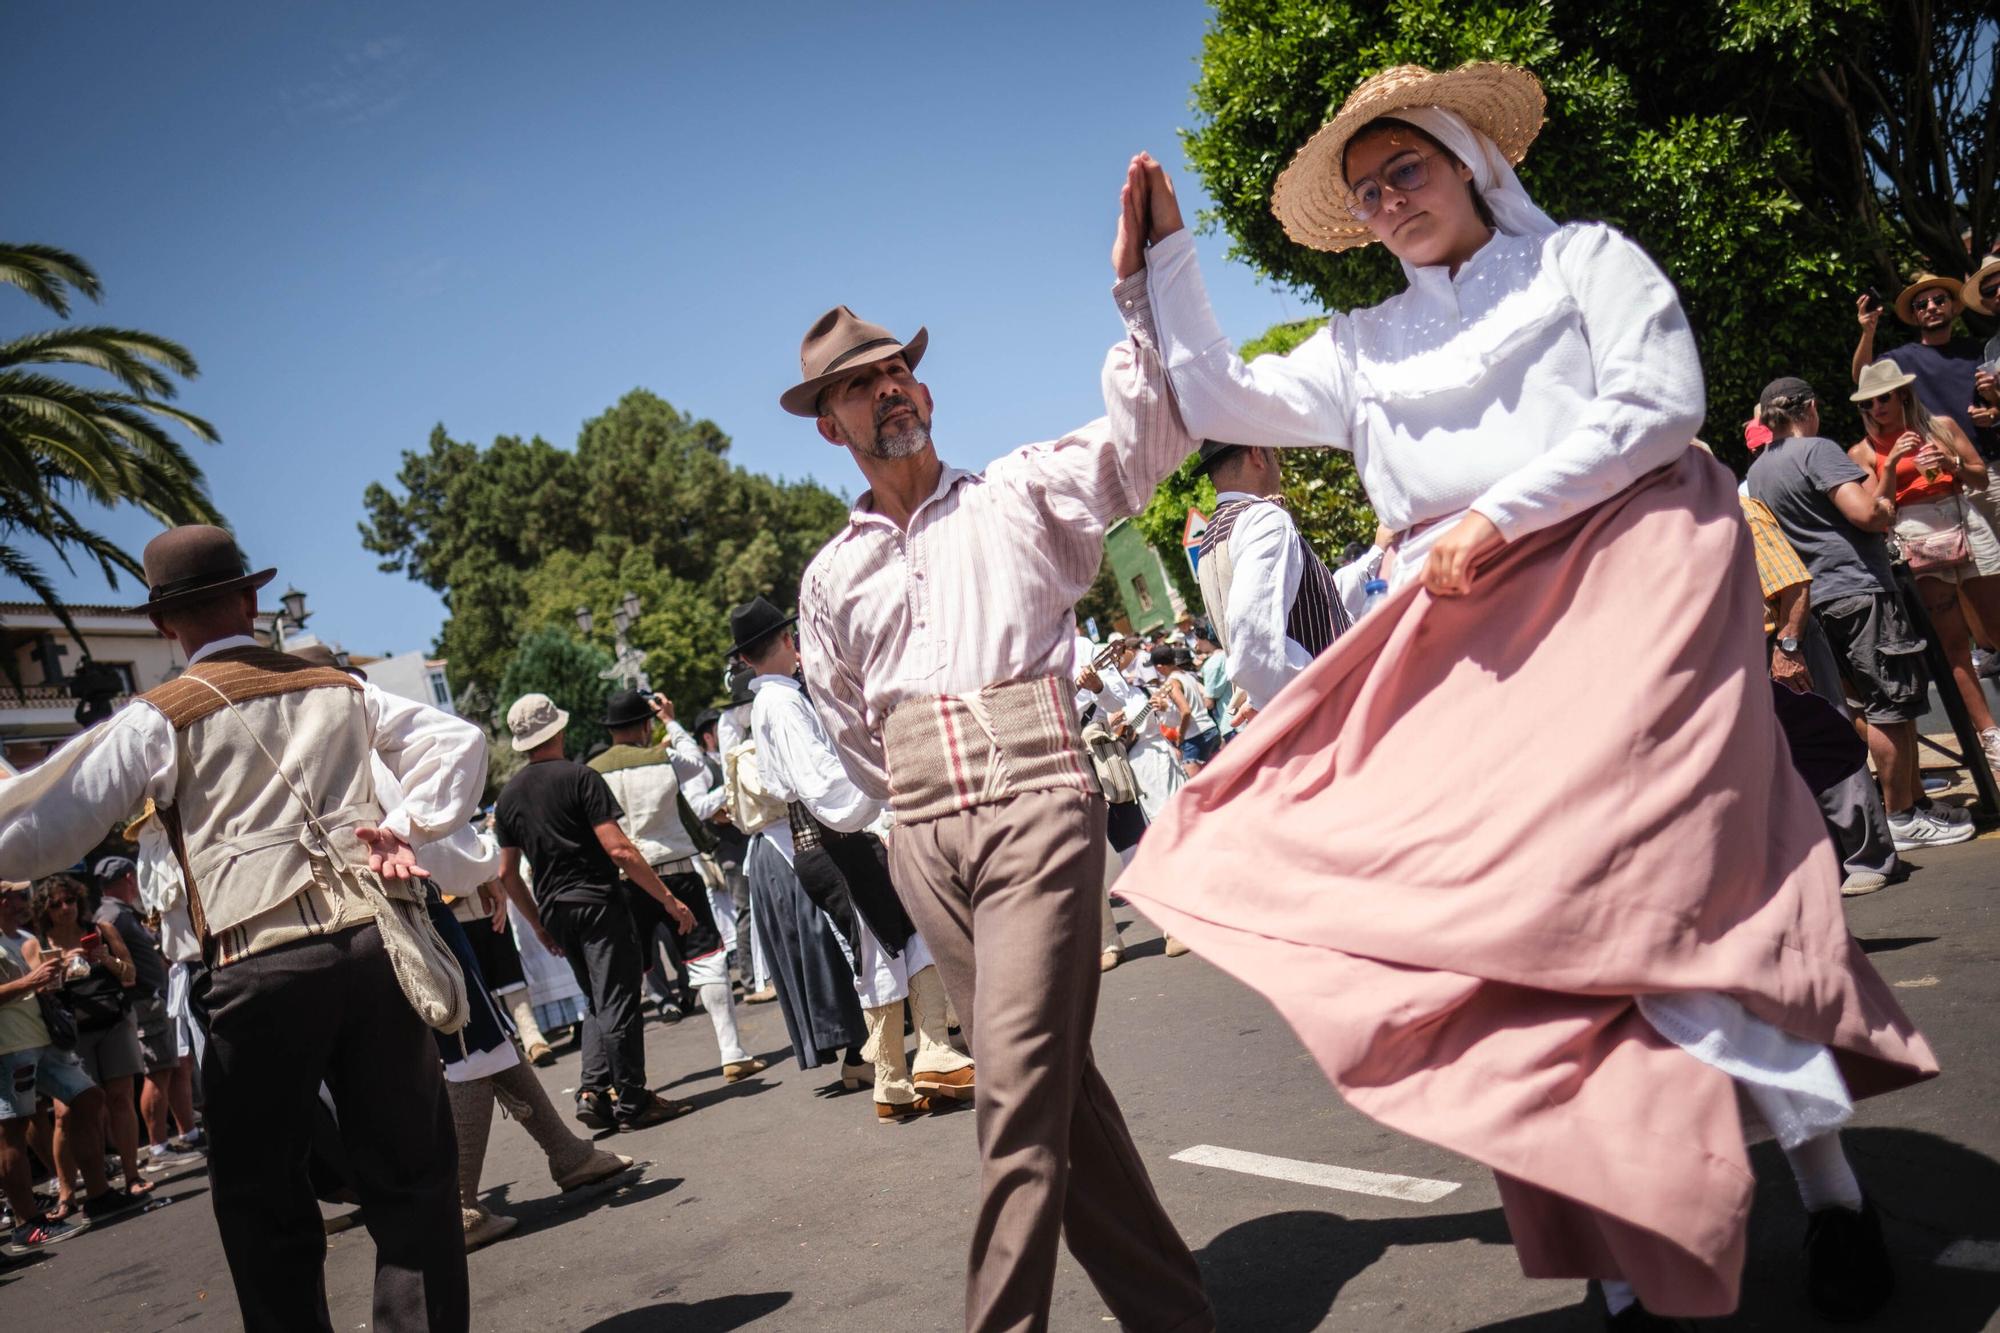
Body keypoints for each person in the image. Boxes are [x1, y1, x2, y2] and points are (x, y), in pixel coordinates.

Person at [1112, 62, 1935, 1327]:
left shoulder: (1581, 263)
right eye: (1366, 190)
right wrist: (1163, 267)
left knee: (1669, 908)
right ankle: (1616, 1277)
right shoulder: (1361, 343)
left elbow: (1663, 405)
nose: (1388, 200)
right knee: (1503, 951)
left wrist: (1498, 510)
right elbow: (1216, 397)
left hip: (1628, 586)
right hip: (1465, 636)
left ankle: (1828, 1194)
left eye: (1407, 171)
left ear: (1466, 163)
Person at [785, 299, 1212, 1320]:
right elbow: (847, 726)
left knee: (1014, 1091)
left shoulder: (1018, 491)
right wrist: (907, 817)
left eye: (896, 371)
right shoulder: (830, 574)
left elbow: (1150, 442)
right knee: (1057, 1091)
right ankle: (1173, 1315)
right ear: (828, 426)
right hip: (925, 833)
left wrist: (1142, 301)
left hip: (1033, 797)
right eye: (858, 383)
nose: (886, 387)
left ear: (923, 391)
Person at [0, 524, 481, 1330]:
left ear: (162, 624)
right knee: (411, 1175)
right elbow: (456, 739)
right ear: (253, 600)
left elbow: (47, 826)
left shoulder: (161, 715)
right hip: (373, 944)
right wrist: (405, 824)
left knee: (263, 1198)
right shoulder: (341, 684)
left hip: (258, 965)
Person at [731, 597, 973, 1122]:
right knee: (890, 944)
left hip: (823, 841)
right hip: (835, 840)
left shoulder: (773, 703)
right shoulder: (782, 704)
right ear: (788, 642)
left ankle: (909, 1070)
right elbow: (824, 784)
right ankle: (913, 1064)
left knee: (891, 944)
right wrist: (886, 788)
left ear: (746, 659)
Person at [1750, 376, 1977, 852]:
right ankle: (1903, 817)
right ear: (1809, 408)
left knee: (1864, 705)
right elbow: (1869, 515)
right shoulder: (1817, 450)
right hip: (1858, 589)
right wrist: (1889, 485)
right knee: (1890, 707)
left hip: (1816, 601)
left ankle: (1911, 803)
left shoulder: (1762, 470)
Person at [492, 692, 697, 1132]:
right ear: (559, 731)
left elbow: (508, 874)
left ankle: (591, 1090)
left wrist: (538, 923)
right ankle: (633, 1099)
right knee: (619, 1000)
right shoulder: (580, 778)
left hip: (555, 909)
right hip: (599, 903)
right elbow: (619, 849)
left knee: (597, 1001)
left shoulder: (508, 798)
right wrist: (668, 898)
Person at [589, 688, 762, 1084]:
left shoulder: (592, 770)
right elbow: (698, 762)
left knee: (628, 976)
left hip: (625, 878)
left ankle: (628, 1075)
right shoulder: (663, 757)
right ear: (645, 724)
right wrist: (671, 719)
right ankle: (732, 1051)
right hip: (677, 869)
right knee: (707, 958)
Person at [1738, 477, 1901, 896]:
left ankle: (1870, 857)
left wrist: (1788, 647)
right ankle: (1824, 859)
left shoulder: (1741, 513)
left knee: (1829, 748)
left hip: (1782, 642)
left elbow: (1794, 583)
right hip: (1741, 655)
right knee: (1781, 762)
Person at [1847, 359, 2000, 776]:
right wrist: (1892, 464)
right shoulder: (1862, 451)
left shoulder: (1942, 426)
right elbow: (1877, 510)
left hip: (1963, 523)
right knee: (1954, 646)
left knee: (1994, 630)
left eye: (1884, 398)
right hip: (1915, 536)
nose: (1877, 407)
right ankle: (1991, 738)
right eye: (1869, 402)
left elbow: (1981, 479)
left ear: (1902, 395)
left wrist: (1951, 464)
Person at [0, 881, 121, 1253]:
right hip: (10, 1045)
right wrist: (29, 981)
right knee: (12, 1129)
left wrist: (57, 975)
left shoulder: (20, 936)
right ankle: (27, 1225)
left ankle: (97, 1195)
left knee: (88, 1098)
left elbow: (38, 986)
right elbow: (22, 986)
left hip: (43, 1038)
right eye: (17, 896)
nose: (25, 902)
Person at [1190, 439, 1352, 715]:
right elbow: (1252, 641)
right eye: (1273, 452)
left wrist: (1259, 694)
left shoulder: (1210, 538)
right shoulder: (1262, 518)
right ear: (1257, 454)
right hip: (1327, 710)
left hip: (1287, 716)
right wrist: (1322, 680)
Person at [28, 873, 151, 1205]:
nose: (66, 908)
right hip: (72, 1033)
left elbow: (130, 974)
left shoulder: (99, 931)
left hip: (113, 1020)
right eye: (56, 904)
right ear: (45, 910)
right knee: (67, 1111)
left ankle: (132, 1176)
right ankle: (67, 1190)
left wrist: (104, 959)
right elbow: (38, 993)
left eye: (70, 900)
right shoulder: (42, 945)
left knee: (121, 1099)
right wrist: (58, 972)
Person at [87, 855, 188, 1174]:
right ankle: (158, 1145)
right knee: (156, 1072)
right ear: (130, 877)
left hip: (149, 999)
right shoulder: (113, 915)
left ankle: (173, 1137)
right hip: (140, 1001)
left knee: (166, 1069)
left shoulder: (118, 913)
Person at [1854, 273, 1999, 459]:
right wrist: (1868, 332)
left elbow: (1994, 403)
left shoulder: (1976, 350)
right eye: (1921, 305)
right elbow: (1862, 378)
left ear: (1953, 307)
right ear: (1914, 316)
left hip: (1990, 463)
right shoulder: (1901, 358)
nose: (1931, 307)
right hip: (1939, 467)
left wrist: (1992, 414)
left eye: (1939, 300)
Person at [1151, 645, 1221, 771]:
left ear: (1160, 667)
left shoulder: (1172, 682)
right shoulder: (1187, 675)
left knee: (1197, 787)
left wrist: (1180, 737)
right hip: (1211, 730)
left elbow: (1186, 711)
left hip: (1195, 737)